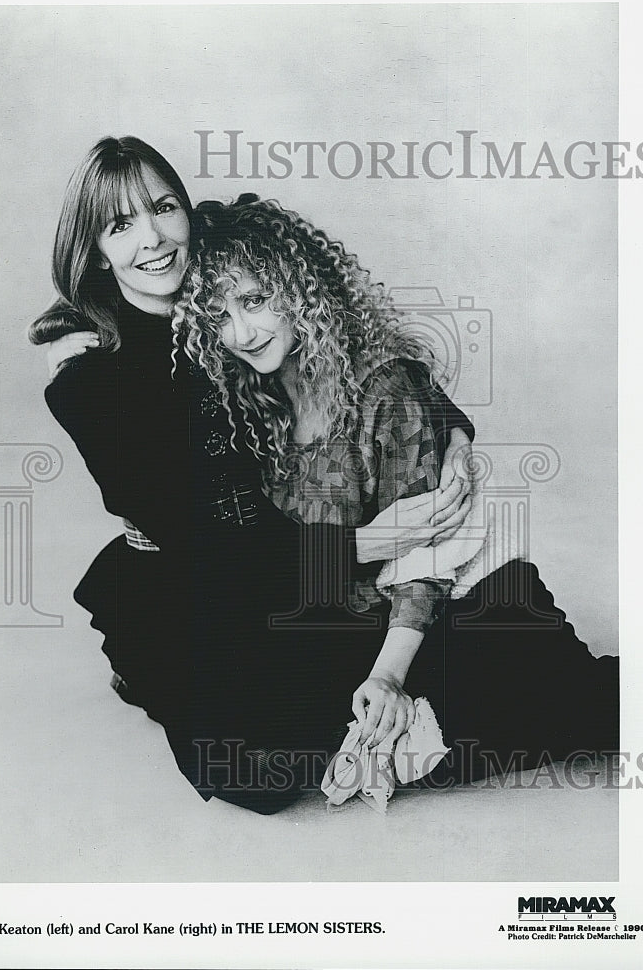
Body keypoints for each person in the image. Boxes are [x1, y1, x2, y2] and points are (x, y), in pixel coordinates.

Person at [30, 136, 475, 813]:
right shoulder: (92, 382)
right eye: (121, 225)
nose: (152, 239)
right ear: (94, 250)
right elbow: (198, 538)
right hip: (187, 580)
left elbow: (342, 332)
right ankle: (144, 666)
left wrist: (449, 431)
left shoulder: (217, 269)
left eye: (163, 208)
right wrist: (364, 546)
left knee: (402, 656)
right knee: (255, 775)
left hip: (292, 556)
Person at [184, 194, 619, 787]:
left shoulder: (383, 388)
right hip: (339, 613)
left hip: (427, 615)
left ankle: (565, 678)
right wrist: (78, 333)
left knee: (574, 717)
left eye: (255, 300)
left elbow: (425, 548)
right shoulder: (251, 399)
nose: (241, 333)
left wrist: (387, 676)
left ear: (302, 291)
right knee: (244, 739)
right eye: (218, 317)